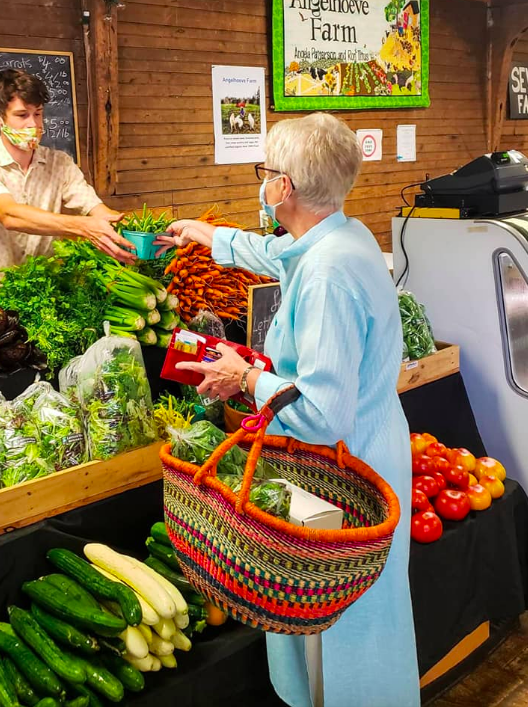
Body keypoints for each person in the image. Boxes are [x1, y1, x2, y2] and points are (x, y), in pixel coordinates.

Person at [156, 113, 420, 707]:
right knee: (351, 618)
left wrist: (247, 376)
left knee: (339, 629)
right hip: (360, 456)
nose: (262, 182)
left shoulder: (328, 275)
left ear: (286, 188)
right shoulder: (341, 237)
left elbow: (324, 414)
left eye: (266, 172)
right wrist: (203, 234)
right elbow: (281, 254)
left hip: (343, 472)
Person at [0, 69, 135, 291]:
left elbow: (95, 209)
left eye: (37, 114)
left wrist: (137, 232)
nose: (33, 125)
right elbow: (8, 214)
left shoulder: (60, 163)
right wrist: (83, 227)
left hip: (46, 288)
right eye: (22, 115)